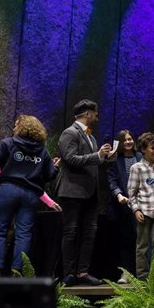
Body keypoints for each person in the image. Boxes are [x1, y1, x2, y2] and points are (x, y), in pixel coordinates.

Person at [0, 115, 59, 277]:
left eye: (16, 126)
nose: (14, 129)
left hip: (8, 190)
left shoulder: (9, 143)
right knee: (24, 234)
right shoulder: (43, 151)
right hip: (30, 195)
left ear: (21, 128)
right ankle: (17, 272)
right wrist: (55, 167)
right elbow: (49, 175)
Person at [57, 99, 113, 286]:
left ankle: (82, 272)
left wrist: (105, 159)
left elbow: (91, 162)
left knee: (89, 233)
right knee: (71, 232)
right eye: (95, 113)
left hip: (90, 193)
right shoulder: (70, 133)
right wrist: (97, 156)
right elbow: (71, 159)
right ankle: (69, 273)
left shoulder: (91, 136)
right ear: (87, 114)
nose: (97, 116)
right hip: (73, 191)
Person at [127, 132, 154, 279]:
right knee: (142, 245)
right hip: (144, 210)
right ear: (144, 149)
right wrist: (136, 209)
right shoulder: (136, 168)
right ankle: (142, 276)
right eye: (152, 148)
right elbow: (131, 193)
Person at [107, 130, 142, 283]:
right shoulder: (115, 159)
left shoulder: (140, 157)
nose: (128, 142)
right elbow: (111, 180)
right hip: (122, 206)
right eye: (125, 140)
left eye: (130, 139)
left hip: (141, 205)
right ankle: (125, 273)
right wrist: (119, 194)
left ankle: (141, 274)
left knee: (140, 240)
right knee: (124, 240)